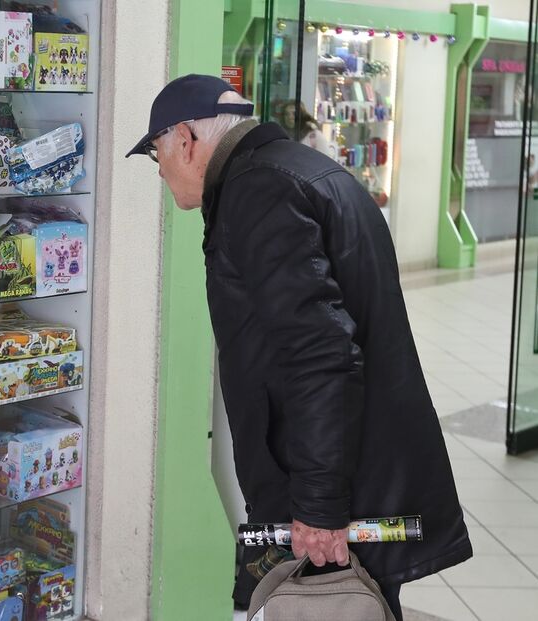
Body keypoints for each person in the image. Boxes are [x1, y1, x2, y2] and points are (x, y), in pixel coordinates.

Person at [126, 74, 472, 619]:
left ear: (186, 140)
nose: (162, 170)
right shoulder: (307, 173)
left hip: (323, 494)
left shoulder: (259, 191)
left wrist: (318, 505)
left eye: (156, 154)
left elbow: (320, 355)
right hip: (349, 466)